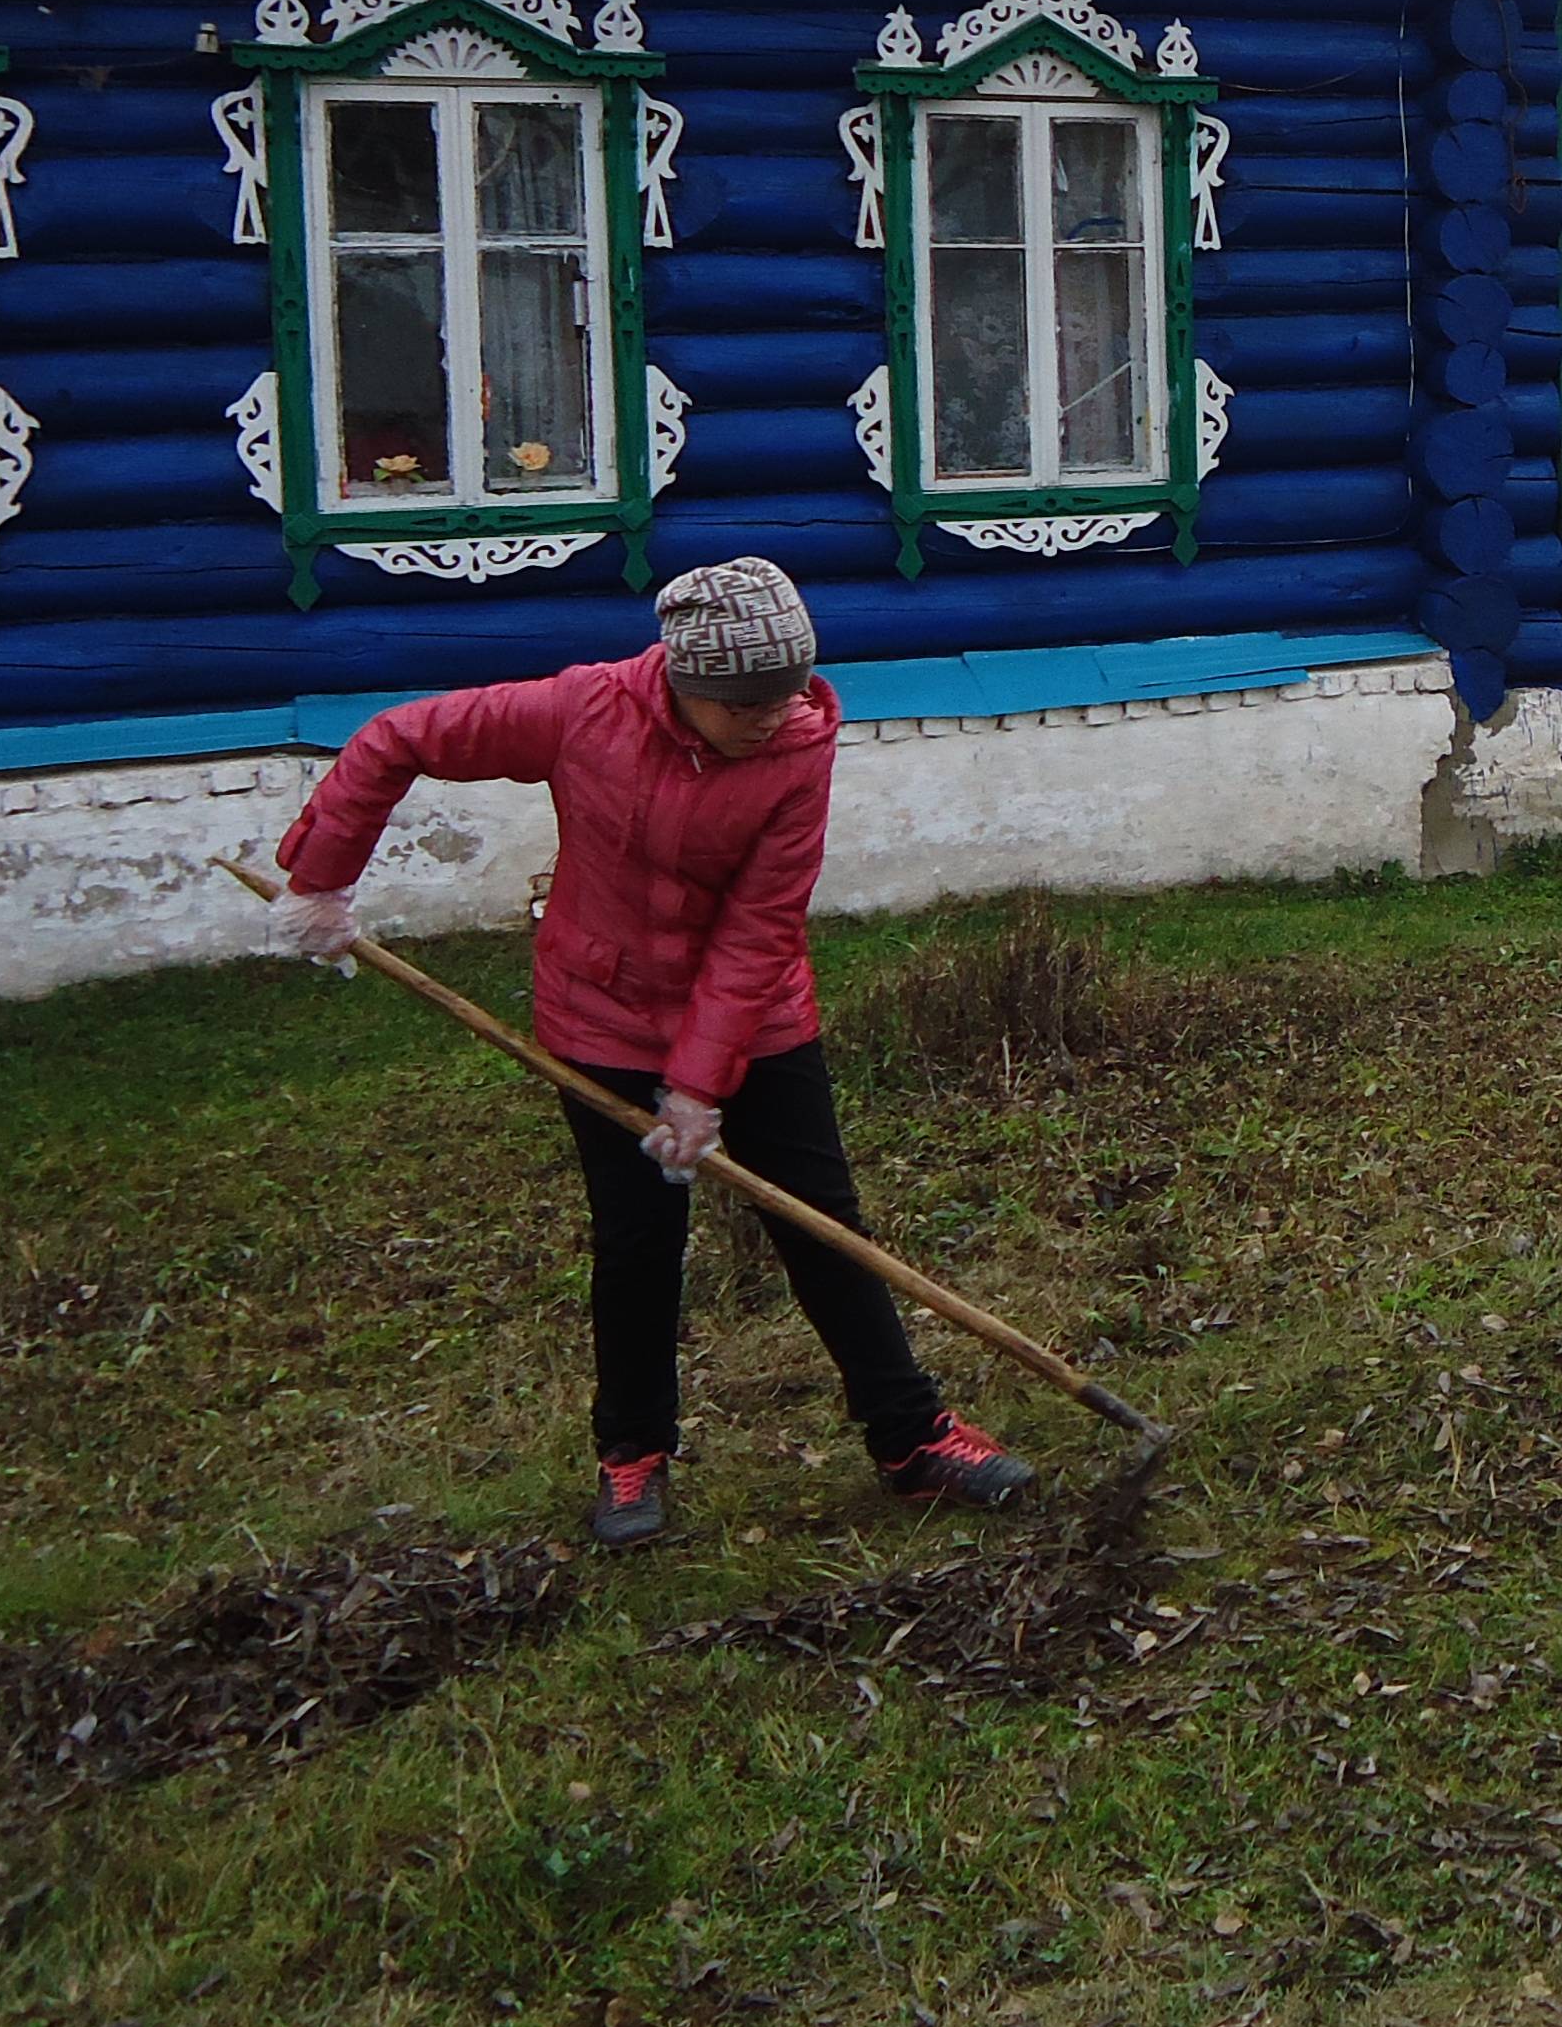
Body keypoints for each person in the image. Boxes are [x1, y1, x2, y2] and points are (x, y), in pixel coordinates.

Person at [265, 557, 1034, 1550]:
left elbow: (758, 928)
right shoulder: (580, 711)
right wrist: (323, 882)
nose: (776, 714)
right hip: (603, 1021)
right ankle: (632, 1457)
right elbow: (395, 737)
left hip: (757, 1020)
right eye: (748, 700)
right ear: (686, 684)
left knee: (822, 1226)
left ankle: (912, 1437)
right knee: (639, 1243)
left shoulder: (798, 746)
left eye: (791, 689)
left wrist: (702, 1086)